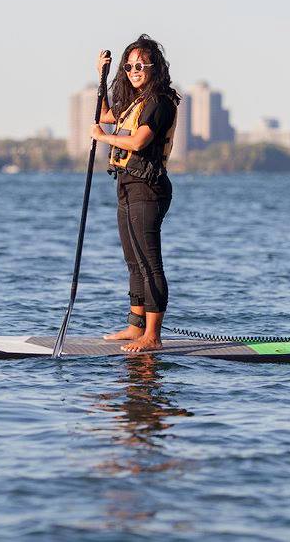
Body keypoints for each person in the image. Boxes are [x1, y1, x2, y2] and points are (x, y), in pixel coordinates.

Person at [90, 34, 180, 353]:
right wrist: (101, 76)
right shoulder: (134, 102)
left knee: (149, 262)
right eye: (128, 66)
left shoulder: (159, 102)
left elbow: (139, 141)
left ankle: (152, 335)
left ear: (154, 67)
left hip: (148, 188)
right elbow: (104, 116)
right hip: (127, 185)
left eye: (139, 65)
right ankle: (135, 326)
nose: (133, 70)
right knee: (133, 261)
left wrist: (103, 138)